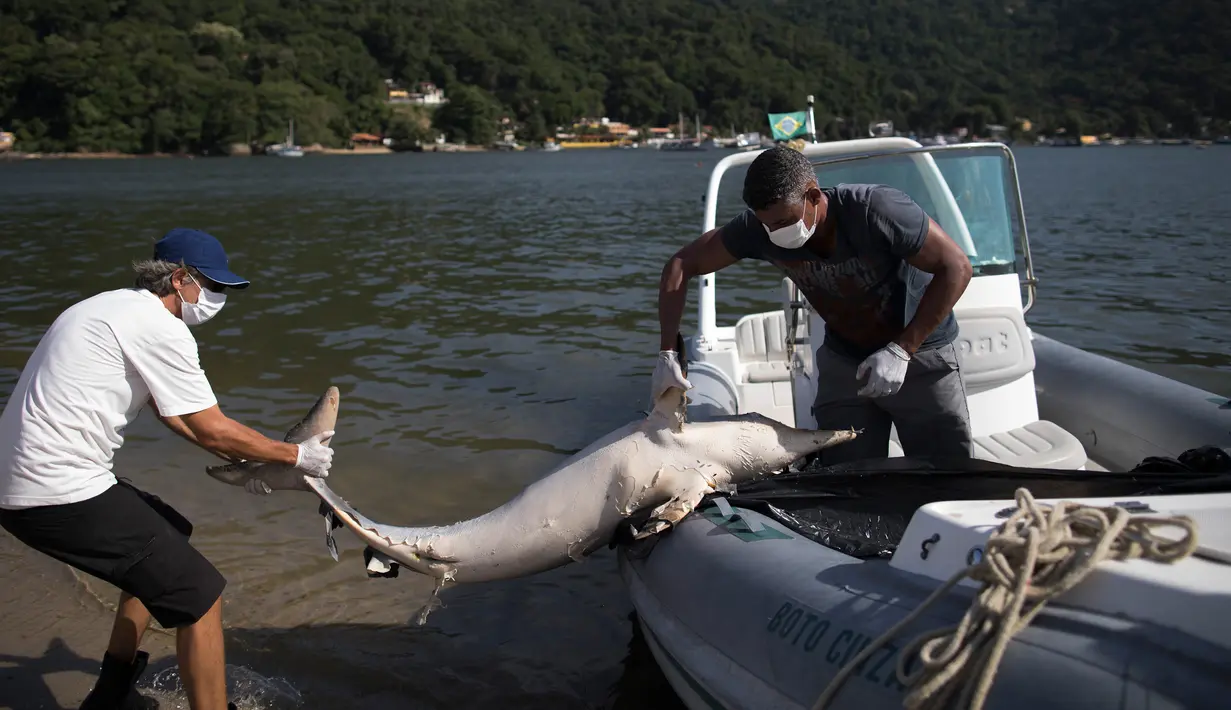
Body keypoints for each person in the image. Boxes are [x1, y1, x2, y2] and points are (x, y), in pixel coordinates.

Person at [0, 228, 335, 710]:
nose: (218, 299)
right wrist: (295, 457)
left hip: (24, 485)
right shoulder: (158, 327)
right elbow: (210, 427)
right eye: (213, 287)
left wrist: (254, 464)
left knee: (171, 531)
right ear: (179, 280)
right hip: (55, 491)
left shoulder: (106, 306)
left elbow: (174, 415)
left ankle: (113, 688)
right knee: (200, 595)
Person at [652, 145, 974, 463]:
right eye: (766, 224)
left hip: (920, 354)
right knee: (844, 475)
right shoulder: (759, 231)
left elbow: (957, 267)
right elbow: (681, 264)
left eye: (782, 222)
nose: (774, 232)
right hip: (846, 361)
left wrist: (903, 349)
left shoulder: (875, 210)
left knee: (945, 474)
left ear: (813, 196)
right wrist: (668, 353)